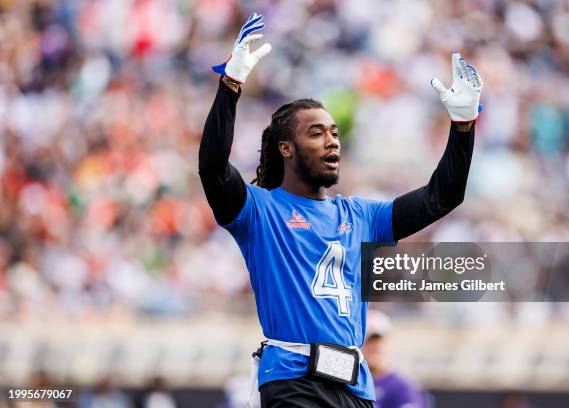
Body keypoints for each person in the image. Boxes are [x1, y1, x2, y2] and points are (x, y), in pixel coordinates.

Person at [199, 12, 482, 408]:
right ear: (286, 148)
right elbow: (212, 168)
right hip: (294, 379)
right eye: (316, 133)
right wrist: (230, 86)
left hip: (355, 386)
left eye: (334, 133)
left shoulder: (361, 215)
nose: (332, 142)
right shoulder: (259, 210)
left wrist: (463, 126)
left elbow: (443, 196)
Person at [362, 310, 431, 408]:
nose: (374, 347)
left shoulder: (403, 387)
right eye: (368, 343)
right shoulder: (355, 385)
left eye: (378, 342)